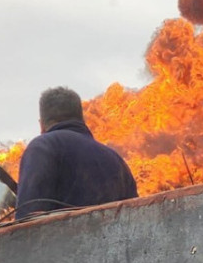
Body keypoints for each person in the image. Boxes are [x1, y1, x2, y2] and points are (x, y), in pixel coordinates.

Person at [15, 87, 137, 221]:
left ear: (42, 124)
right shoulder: (116, 160)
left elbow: (27, 220)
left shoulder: (42, 146)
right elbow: (136, 217)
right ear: (81, 118)